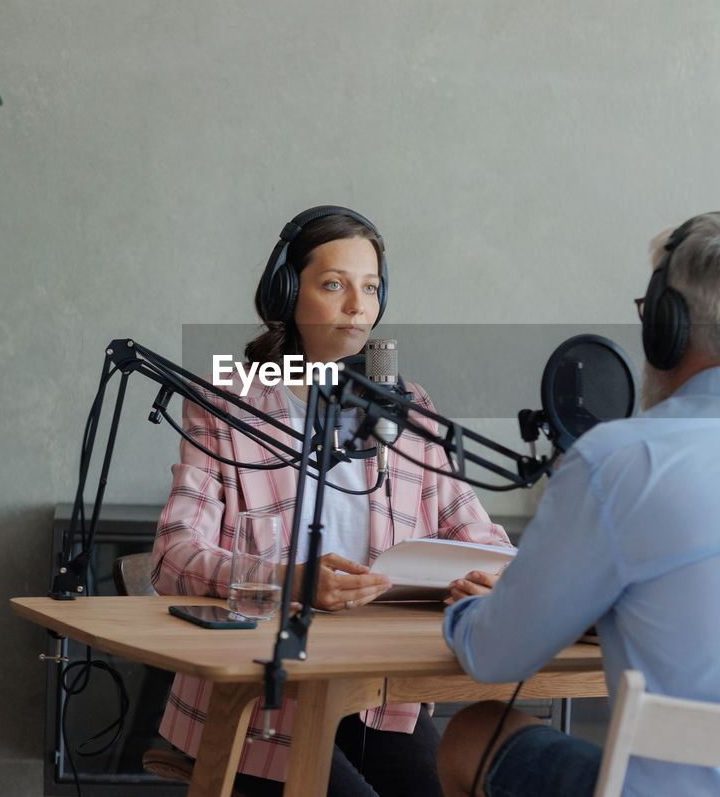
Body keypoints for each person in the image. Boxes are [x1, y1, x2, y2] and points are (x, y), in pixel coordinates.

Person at [436, 212, 720, 797]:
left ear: (666, 325)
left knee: (473, 734)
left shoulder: (618, 459)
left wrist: (471, 613)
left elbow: (494, 657)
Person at [151, 205, 511, 797]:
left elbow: (481, 537)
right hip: (260, 703)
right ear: (286, 293)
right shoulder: (225, 402)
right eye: (334, 285)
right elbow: (171, 558)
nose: (357, 307)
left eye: (369, 288)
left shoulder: (407, 408)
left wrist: (494, 577)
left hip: (375, 697)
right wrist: (289, 580)